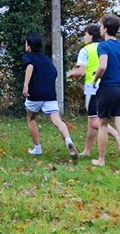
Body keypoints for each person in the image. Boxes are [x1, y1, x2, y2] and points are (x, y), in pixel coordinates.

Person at [22, 33, 79, 161]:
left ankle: (37, 148)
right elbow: (54, 72)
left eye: (26, 43)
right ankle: (68, 140)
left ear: (29, 46)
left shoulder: (28, 56)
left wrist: (26, 86)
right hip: (50, 94)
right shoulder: (46, 59)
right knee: (57, 120)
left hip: (35, 94)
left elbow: (30, 67)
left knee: (31, 118)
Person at [66, 24, 120, 157]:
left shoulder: (86, 50)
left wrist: (70, 73)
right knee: (92, 119)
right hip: (110, 85)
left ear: (91, 36)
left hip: (93, 87)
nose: (84, 37)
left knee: (94, 121)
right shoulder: (106, 47)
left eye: (85, 35)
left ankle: (117, 135)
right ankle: (87, 150)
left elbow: (81, 71)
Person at [91, 15, 120, 168]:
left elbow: (103, 66)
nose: (100, 29)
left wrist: (95, 79)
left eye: (101, 26)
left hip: (108, 88)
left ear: (106, 29)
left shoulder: (103, 46)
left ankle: (101, 160)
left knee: (103, 123)